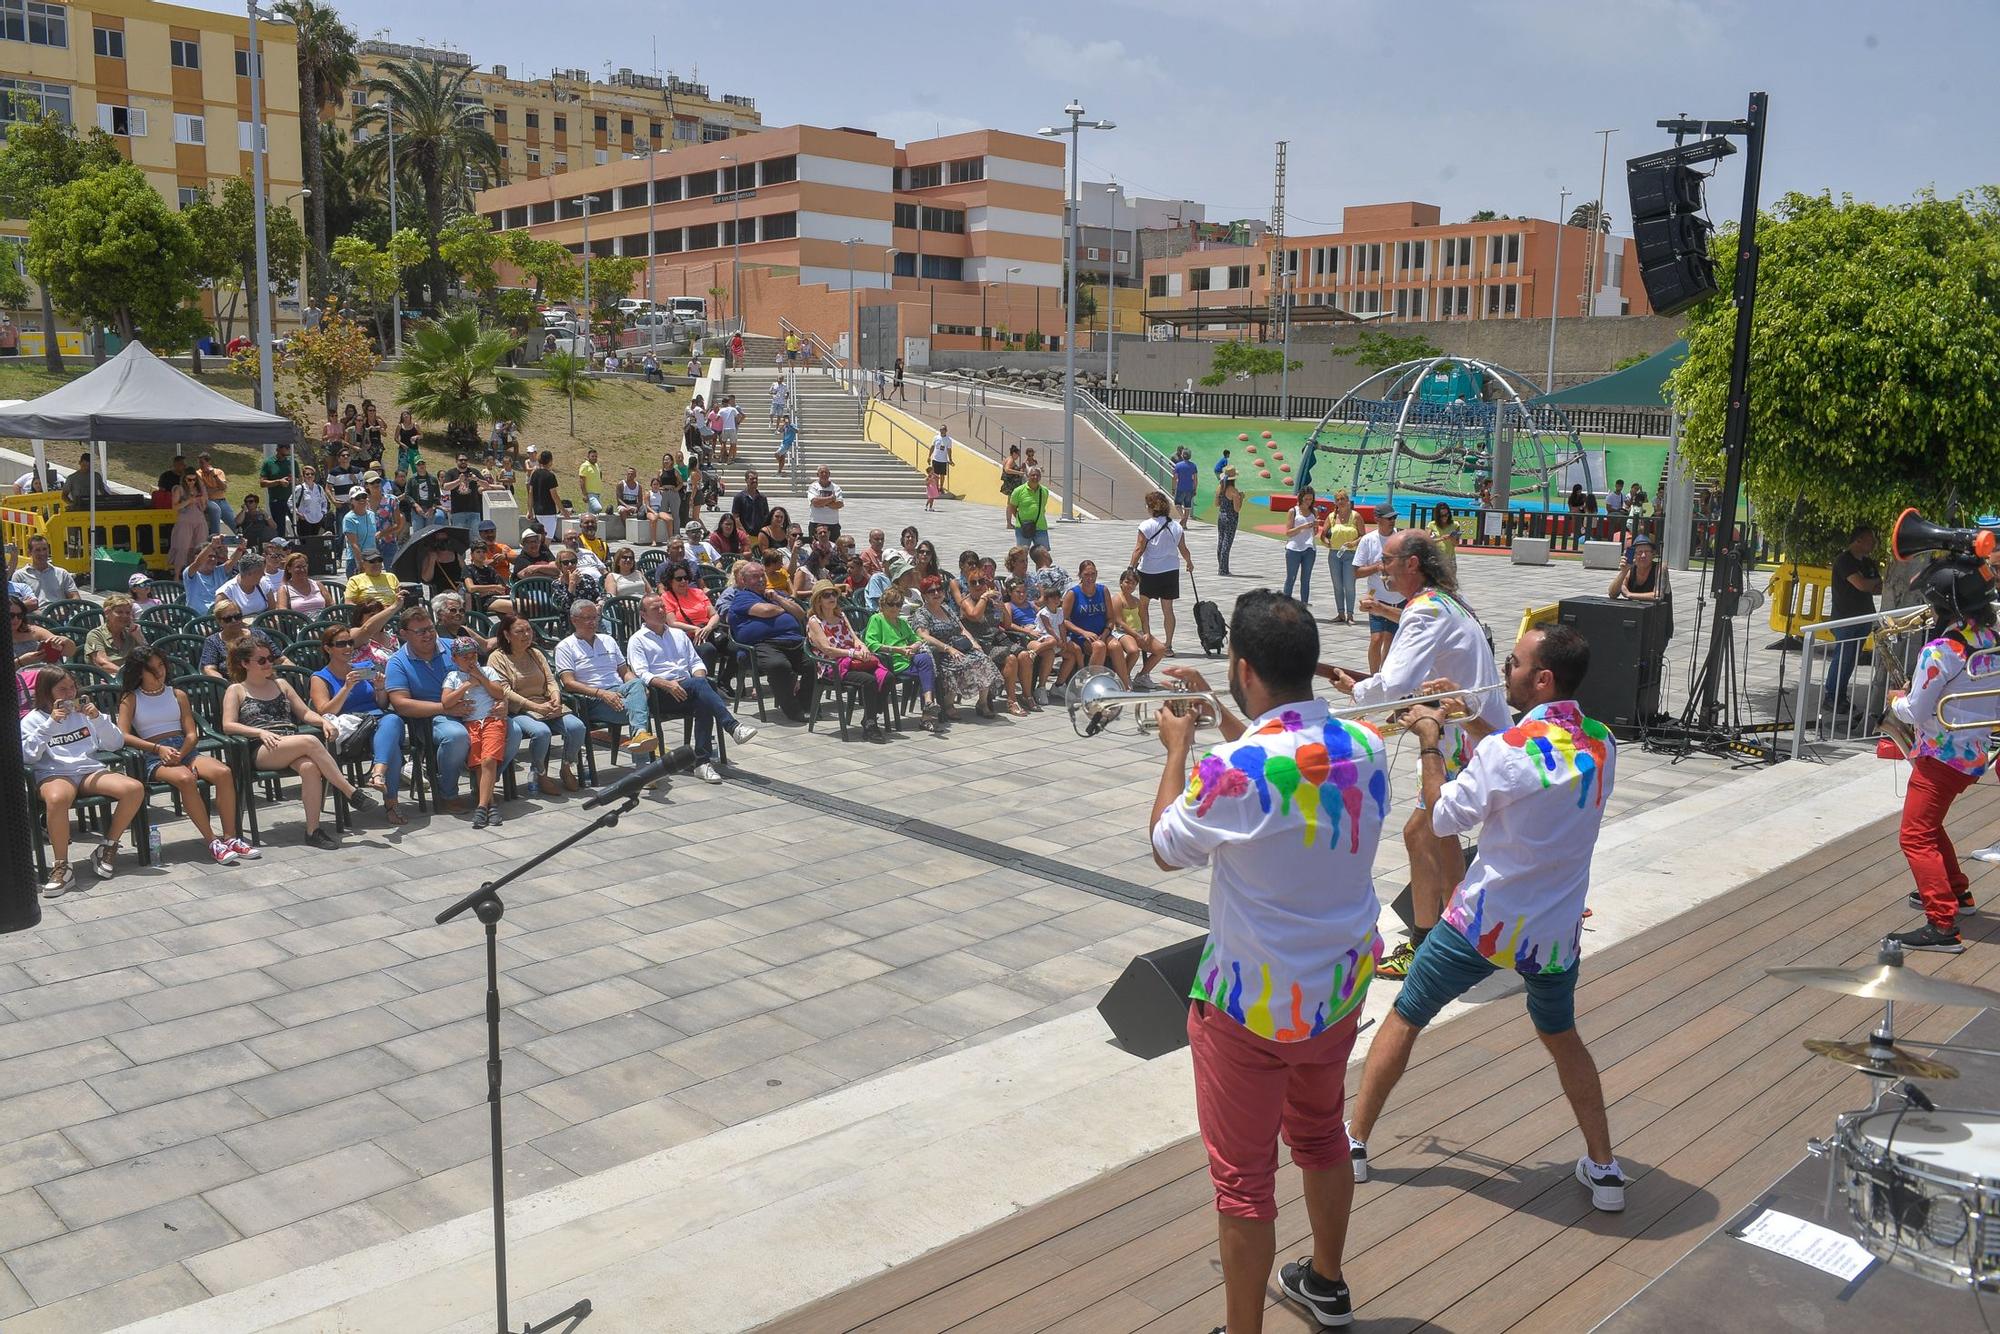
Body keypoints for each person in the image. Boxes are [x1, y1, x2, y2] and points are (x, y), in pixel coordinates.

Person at [1147, 592, 1391, 1334]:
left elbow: (1165, 844)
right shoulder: (1367, 745)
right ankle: (1326, 1280)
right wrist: (1217, 716)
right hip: (1336, 995)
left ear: (1244, 667)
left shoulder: (1230, 767)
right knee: (1319, 1137)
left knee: (1244, 1182)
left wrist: (1177, 750)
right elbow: (1276, 768)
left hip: (1248, 1010)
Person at [1343, 623, 1628, 1220]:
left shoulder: (1504, 753)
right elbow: (1534, 757)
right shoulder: (1603, 742)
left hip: (1485, 921)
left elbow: (1444, 815)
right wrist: (1471, 718)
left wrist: (1429, 738)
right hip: (1554, 932)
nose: (1505, 671)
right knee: (1561, 1036)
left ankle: (1355, 1144)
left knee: (1407, 1012)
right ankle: (1604, 1168)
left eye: (1516, 663)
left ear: (1543, 678)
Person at [1331, 528, 1510, 979]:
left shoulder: (1425, 611)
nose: (1380, 567)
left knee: (1419, 832)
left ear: (1412, 564)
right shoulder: (1444, 600)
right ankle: (1458, 930)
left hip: (1458, 737)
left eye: (1388, 561)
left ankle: (1425, 944)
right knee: (1440, 832)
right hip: (1476, 732)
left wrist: (1356, 693)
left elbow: (1393, 683)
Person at [1885, 559, 2000, 953]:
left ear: (1946, 607)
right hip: (1973, 753)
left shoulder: (1939, 651)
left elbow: (1916, 711)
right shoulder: (1990, 639)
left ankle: (1941, 923)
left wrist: (1897, 702)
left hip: (1940, 757)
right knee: (1929, 826)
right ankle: (1958, 894)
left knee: (1914, 835)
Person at [224, 634, 373, 846]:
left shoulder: (281, 684)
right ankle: (350, 791)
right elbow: (228, 725)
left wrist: (323, 722)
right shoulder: (237, 689)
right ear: (245, 663)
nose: (268, 664)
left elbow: (304, 713)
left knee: (310, 767)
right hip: (262, 747)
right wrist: (259, 733)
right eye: (262, 660)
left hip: (290, 742)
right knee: (310, 741)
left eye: (270, 658)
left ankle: (313, 831)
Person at [118, 648, 249, 865]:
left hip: (184, 749)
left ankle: (231, 837)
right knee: (186, 779)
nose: (159, 672)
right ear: (140, 671)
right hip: (154, 753)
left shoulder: (177, 694)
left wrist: (182, 754)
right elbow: (122, 735)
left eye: (161, 666)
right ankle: (212, 841)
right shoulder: (131, 698)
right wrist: (157, 749)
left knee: (223, 772)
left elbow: (191, 734)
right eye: (152, 669)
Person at [23, 667, 145, 895]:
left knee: (134, 788)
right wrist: (51, 724)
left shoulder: (85, 714)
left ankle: (107, 846)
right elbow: (28, 756)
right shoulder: (32, 720)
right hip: (53, 773)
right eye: (62, 690)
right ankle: (62, 866)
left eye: (72, 688)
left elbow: (115, 744)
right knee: (58, 798)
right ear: (46, 692)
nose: (70, 694)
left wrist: (98, 719)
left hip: (87, 771)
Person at [629, 592, 758, 780]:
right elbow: (642, 674)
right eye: (654, 608)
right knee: (702, 689)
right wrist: (668, 685)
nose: (661, 610)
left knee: (703, 699)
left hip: (688, 687)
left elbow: (696, 663)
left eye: (662, 606)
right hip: (660, 692)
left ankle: (702, 762)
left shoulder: (678, 634)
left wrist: (699, 679)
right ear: (643, 614)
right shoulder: (637, 640)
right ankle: (731, 726)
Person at [309, 624, 408, 824]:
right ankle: (390, 802)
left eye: (350, 643)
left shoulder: (363, 669)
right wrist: (346, 688)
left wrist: (380, 689)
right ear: (328, 648)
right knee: (392, 743)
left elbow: (380, 704)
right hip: (353, 731)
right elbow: (325, 712)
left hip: (377, 722)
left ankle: (378, 774)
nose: (348, 648)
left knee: (392, 720)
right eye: (341, 644)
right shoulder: (320, 677)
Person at [554, 599, 658, 756]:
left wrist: (640, 687)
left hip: (618, 691)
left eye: (595, 617)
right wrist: (601, 693)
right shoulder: (566, 646)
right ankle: (643, 765)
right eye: (587, 618)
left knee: (637, 683)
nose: (593, 622)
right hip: (591, 698)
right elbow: (568, 683)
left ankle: (639, 734)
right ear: (574, 620)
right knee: (638, 709)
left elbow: (625, 672)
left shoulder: (608, 640)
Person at [722, 561, 815, 722]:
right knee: (778, 666)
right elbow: (766, 611)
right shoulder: (742, 596)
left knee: (814, 663)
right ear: (743, 581)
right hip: (762, 644)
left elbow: (800, 613)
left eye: (762, 575)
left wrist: (778, 597)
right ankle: (792, 710)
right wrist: (784, 607)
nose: (760, 580)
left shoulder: (775, 594)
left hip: (794, 641)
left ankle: (803, 702)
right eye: (754, 577)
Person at [442, 635, 510, 828]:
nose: (471, 660)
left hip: (491, 720)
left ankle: (481, 807)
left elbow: (499, 693)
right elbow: (446, 702)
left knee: (489, 759)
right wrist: (467, 685)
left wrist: (481, 678)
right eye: (465, 657)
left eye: (473, 655)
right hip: (471, 724)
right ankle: (491, 805)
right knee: (480, 763)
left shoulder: (488, 671)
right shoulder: (453, 677)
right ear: (454, 659)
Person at [1823, 523, 1882, 720]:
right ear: (1858, 541)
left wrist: (1870, 584)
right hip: (1845, 618)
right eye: (1870, 539)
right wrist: (1869, 584)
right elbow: (1862, 585)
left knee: (1851, 659)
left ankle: (1841, 696)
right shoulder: (1844, 561)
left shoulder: (1868, 563)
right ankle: (1832, 696)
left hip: (1864, 617)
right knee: (1843, 657)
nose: (1874, 543)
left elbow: (1878, 587)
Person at [1131, 489, 1194, 656]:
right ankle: (1168, 644)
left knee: (1143, 606)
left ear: (1151, 507)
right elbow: (1183, 549)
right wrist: (1189, 563)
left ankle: (1147, 639)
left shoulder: (1146, 525)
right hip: (1170, 570)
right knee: (1168, 609)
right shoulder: (1176, 527)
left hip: (1149, 571)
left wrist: (1131, 567)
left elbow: (1139, 548)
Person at [1353, 508, 1403, 674]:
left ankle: (1384, 674)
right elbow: (1356, 572)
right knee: (1377, 639)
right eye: (1389, 518)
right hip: (1377, 597)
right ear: (1377, 519)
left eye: (1394, 518)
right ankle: (1373, 676)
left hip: (1400, 597)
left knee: (1390, 639)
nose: (1392, 521)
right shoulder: (1368, 540)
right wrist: (1377, 567)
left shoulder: (1402, 538)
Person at [1062, 558, 1124, 684]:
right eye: (1086, 575)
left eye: (1093, 574)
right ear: (1080, 575)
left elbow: (1110, 619)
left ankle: (1125, 683)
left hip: (1102, 633)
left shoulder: (1103, 590)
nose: (1090, 578)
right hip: (1081, 636)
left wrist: (1105, 633)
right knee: (1099, 647)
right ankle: (1091, 682)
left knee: (1116, 646)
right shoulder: (1073, 594)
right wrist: (1084, 633)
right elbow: (1064, 620)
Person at [1110, 567, 1167, 691]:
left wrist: (1147, 633)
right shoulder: (1117, 599)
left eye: (1133, 583)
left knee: (1161, 649)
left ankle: (1142, 675)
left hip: (1139, 632)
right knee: (1133, 651)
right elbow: (1118, 621)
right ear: (1121, 583)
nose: (1130, 585)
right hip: (1122, 632)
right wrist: (1135, 634)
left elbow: (1144, 619)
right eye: (1127, 582)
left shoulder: (1137, 601)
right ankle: (1123, 675)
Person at [1319, 492, 1362, 624]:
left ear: (1348, 501)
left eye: (1343, 499)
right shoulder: (1332, 517)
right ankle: (1340, 613)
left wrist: (1353, 543)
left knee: (1349, 585)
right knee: (1337, 585)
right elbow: (1323, 534)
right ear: (1335, 503)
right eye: (1338, 499)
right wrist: (1326, 542)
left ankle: (1350, 615)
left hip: (1350, 554)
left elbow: (1363, 536)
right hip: (1334, 554)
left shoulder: (1356, 516)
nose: (1341, 501)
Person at [84, 594, 146, 673]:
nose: (124, 616)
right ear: (107, 613)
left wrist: (140, 638)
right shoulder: (95, 635)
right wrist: (127, 674)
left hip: (130, 677)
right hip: (106, 679)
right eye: (119, 612)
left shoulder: (131, 633)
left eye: (128, 613)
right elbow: (102, 663)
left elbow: (150, 658)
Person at [11, 534, 78, 607]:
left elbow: (75, 597)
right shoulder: (20, 576)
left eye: (44, 549)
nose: (42, 553)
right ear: (29, 553)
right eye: (37, 550)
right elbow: (14, 604)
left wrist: (67, 608)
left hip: (60, 614)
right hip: (34, 615)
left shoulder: (61, 573)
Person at [1281, 489, 1318, 603]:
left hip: (1309, 548)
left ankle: (1304, 605)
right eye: (1306, 499)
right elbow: (1288, 532)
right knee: (1291, 578)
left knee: (1306, 579)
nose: (1308, 502)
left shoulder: (1314, 511)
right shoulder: (1293, 511)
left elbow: (1315, 532)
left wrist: (1315, 526)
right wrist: (1303, 527)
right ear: (1301, 498)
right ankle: (1285, 605)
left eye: (1310, 499)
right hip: (1294, 548)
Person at [1608, 535, 1669, 604]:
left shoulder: (1660, 568)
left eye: (1647, 552)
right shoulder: (1630, 568)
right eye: (1639, 552)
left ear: (1653, 554)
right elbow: (1612, 594)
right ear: (1634, 555)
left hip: (1658, 612)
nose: (1643, 555)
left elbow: (1658, 595)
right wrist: (1623, 572)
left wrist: (1629, 594)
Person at [179, 536, 232, 612]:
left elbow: (232, 561)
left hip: (221, 615)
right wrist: (211, 546)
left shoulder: (219, 571)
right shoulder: (191, 573)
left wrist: (240, 548)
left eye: (215, 556)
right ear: (197, 557)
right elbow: (198, 563)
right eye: (209, 556)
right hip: (198, 619)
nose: (213, 559)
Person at [1007, 465, 1053, 552]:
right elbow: (1012, 506)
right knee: (1022, 553)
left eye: (1037, 475)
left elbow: (1043, 506)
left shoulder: (1044, 491)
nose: (1035, 477)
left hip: (1040, 526)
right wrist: (1018, 517)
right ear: (1027, 476)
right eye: (1032, 475)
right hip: (1022, 527)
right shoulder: (1018, 491)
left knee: (1042, 554)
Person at [273, 551, 330, 616]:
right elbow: (283, 612)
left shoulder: (318, 585)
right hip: (300, 624)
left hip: (322, 622)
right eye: (298, 567)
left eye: (304, 566)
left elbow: (331, 605)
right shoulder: (284, 590)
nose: (302, 570)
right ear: (289, 569)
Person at [219, 553, 272, 617]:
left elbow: (272, 610)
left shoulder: (263, 583)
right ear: (250, 573)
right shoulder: (226, 592)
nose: (264, 574)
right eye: (261, 571)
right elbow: (222, 620)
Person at [1214, 467, 1245, 576]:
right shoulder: (1234, 491)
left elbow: (1216, 504)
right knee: (1227, 543)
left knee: (1221, 541)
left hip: (1221, 516)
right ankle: (1223, 569)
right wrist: (1241, 498)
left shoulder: (1220, 488)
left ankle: (1221, 567)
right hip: (1231, 518)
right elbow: (1237, 508)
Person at [196, 453, 236, 536]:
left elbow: (224, 487)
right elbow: (204, 491)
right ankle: (215, 537)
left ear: (208, 462)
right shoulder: (198, 474)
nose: (200, 465)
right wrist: (217, 489)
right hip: (208, 501)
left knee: (233, 522)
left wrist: (214, 476)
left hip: (221, 501)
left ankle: (243, 540)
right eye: (199, 463)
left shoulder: (218, 472)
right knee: (215, 510)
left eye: (202, 463)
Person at [291, 463, 333, 540]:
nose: (310, 476)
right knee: (306, 543)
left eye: (312, 474)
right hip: (305, 520)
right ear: (303, 476)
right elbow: (290, 502)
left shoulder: (319, 488)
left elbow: (324, 502)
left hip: (318, 519)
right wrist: (298, 513)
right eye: (307, 474)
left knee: (316, 542)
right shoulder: (299, 488)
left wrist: (323, 512)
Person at [806, 465, 846, 541]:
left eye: (826, 472)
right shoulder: (813, 487)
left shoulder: (836, 487)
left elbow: (839, 504)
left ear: (829, 474)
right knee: (816, 548)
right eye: (822, 472)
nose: (824, 474)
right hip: (816, 523)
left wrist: (822, 503)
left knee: (834, 548)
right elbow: (815, 502)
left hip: (833, 524)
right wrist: (831, 499)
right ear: (817, 474)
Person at [528, 450, 562, 532]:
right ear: (550, 461)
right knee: (548, 538)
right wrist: (563, 510)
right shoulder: (550, 476)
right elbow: (554, 495)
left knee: (540, 537)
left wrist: (529, 511)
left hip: (537, 511)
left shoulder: (534, 474)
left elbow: (530, 493)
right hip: (549, 511)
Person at [1171, 447, 1198, 524]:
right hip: (1190, 488)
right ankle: (1184, 524)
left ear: (1182, 455)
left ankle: (1182, 517)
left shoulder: (1178, 465)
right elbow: (1195, 479)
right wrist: (1195, 489)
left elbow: (1174, 478)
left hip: (1180, 488)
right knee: (1187, 506)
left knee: (1177, 504)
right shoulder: (1193, 466)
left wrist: (1173, 488)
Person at [577, 447, 606, 515]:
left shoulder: (596, 465)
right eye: (592, 456)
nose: (594, 458)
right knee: (598, 508)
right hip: (590, 494)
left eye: (596, 456)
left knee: (592, 514)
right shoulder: (585, 466)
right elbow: (582, 481)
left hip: (597, 493)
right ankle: (582, 516)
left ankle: (585, 520)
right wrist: (585, 495)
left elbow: (599, 475)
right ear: (588, 457)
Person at [929, 424, 954, 495]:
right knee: (936, 475)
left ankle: (941, 487)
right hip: (935, 459)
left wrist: (950, 459)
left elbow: (949, 450)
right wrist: (929, 456)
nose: (941, 431)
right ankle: (936, 488)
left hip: (943, 460)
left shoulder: (948, 440)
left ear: (946, 430)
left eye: (943, 429)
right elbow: (932, 447)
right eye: (940, 429)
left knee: (942, 475)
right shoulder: (936, 437)